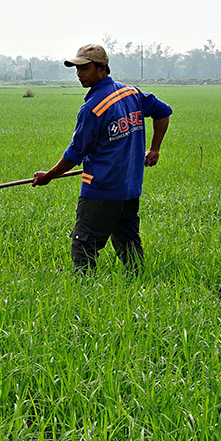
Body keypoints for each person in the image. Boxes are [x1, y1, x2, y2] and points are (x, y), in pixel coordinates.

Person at [32, 44, 172, 272]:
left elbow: (74, 154)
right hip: (129, 187)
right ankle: (139, 283)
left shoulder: (93, 109)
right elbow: (162, 111)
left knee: (83, 245)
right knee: (128, 242)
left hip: (101, 189)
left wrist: (49, 175)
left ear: (102, 68)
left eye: (85, 69)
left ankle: (83, 291)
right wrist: (154, 149)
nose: (79, 75)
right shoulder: (131, 93)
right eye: (77, 69)